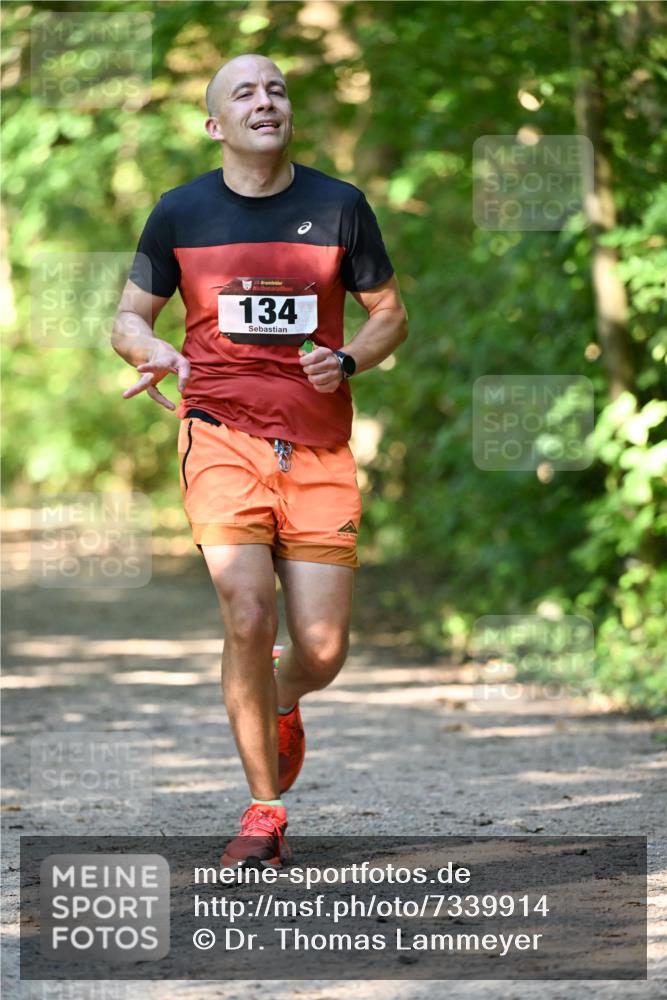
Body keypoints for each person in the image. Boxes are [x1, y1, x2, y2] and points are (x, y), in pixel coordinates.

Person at [112, 53, 408, 868]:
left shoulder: (339, 207)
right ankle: (264, 813)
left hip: (316, 443)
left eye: (276, 87)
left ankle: (277, 693)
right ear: (216, 124)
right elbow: (127, 319)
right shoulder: (180, 213)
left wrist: (347, 360)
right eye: (243, 91)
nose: (264, 98)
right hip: (219, 431)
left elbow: (389, 315)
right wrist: (154, 350)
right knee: (245, 610)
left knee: (319, 650)